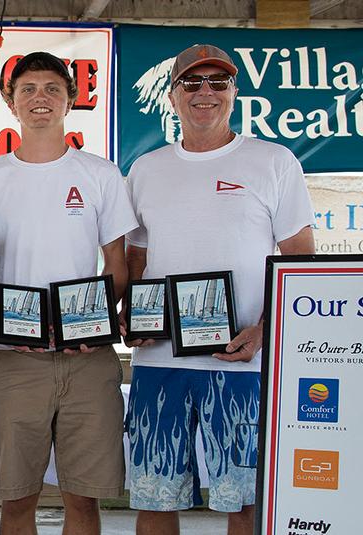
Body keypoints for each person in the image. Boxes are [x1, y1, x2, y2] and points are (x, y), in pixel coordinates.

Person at [124, 44, 315, 535]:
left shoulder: (273, 161)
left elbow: (300, 259)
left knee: (246, 503)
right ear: (173, 96)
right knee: (154, 500)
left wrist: (268, 330)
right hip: (158, 363)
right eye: (192, 83)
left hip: (243, 364)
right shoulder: (145, 169)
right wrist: (131, 315)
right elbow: (138, 258)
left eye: (217, 83)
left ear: (234, 93)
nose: (205, 92)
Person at [0, 51, 136, 535]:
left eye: (52, 90)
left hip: (89, 358)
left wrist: (92, 319)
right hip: (17, 358)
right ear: (9, 101)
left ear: (71, 99)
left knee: (84, 503)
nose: (41, 99)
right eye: (28, 90)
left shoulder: (101, 174)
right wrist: (5, 310)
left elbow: (118, 268)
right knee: (17, 504)